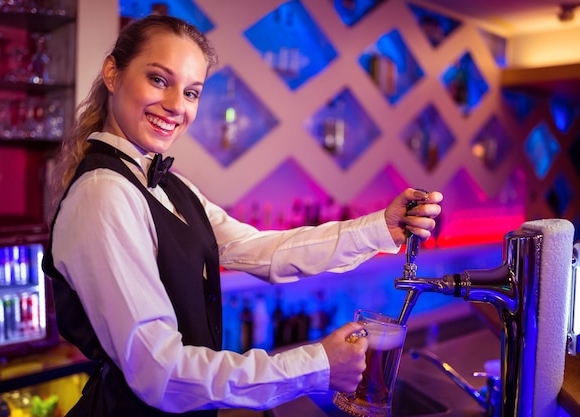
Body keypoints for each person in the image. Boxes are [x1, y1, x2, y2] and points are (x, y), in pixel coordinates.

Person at [42, 15, 443, 417]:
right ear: (113, 73)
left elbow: (263, 251)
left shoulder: (168, 186)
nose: (176, 106)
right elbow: (159, 371)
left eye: (192, 92)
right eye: (159, 80)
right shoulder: (103, 194)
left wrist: (379, 230)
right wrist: (315, 366)